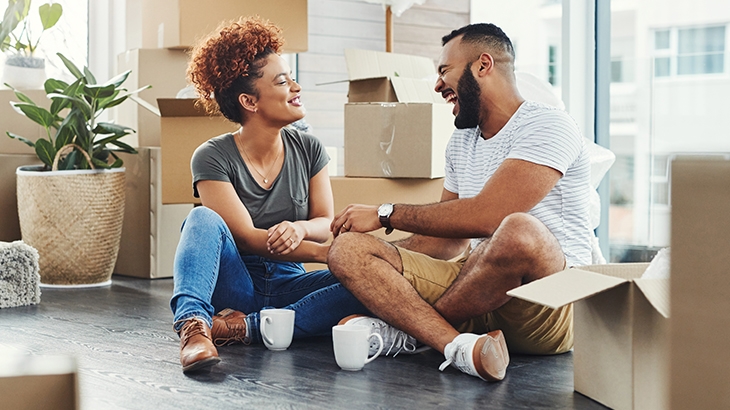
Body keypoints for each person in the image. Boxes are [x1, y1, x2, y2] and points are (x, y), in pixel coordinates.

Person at [327, 22, 592, 382]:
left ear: (483, 65)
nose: (437, 85)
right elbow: (445, 242)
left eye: (443, 71)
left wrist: (385, 214)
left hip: (549, 301)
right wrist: (376, 258)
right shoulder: (461, 142)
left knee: (518, 230)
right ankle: (459, 346)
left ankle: (413, 334)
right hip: (476, 289)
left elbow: (489, 218)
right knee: (348, 250)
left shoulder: (548, 125)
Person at [169, 17, 369, 373]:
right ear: (249, 100)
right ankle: (195, 327)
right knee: (200, 217)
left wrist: (302, 229)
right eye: (282, 81)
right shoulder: (211, 156)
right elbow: (245, 238)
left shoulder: (309, 148)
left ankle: (242, 327)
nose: (296, 86)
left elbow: (325, 222)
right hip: (235, 283)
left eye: (291, 77)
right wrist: (330, 256)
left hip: (289, 280)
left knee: (373, 282)